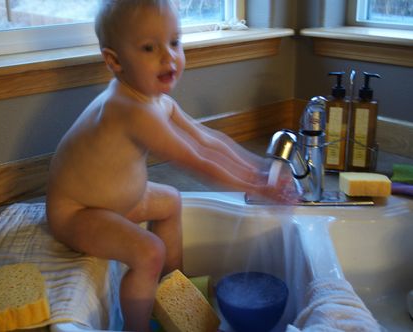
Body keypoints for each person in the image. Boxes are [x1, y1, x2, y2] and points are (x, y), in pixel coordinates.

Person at [46, 1, 298, 331]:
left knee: (170, 201)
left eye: (175, 42)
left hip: (112, 203)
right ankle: (136, 327)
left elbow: (208, 139)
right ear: (114, 61)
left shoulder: (155, 99)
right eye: (149, 47)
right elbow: (195, 159)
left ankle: (174, 290)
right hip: (77, 213)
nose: (169, 57)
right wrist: (256, 186)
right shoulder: (130, 110)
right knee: (148, 251)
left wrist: (259, 169)